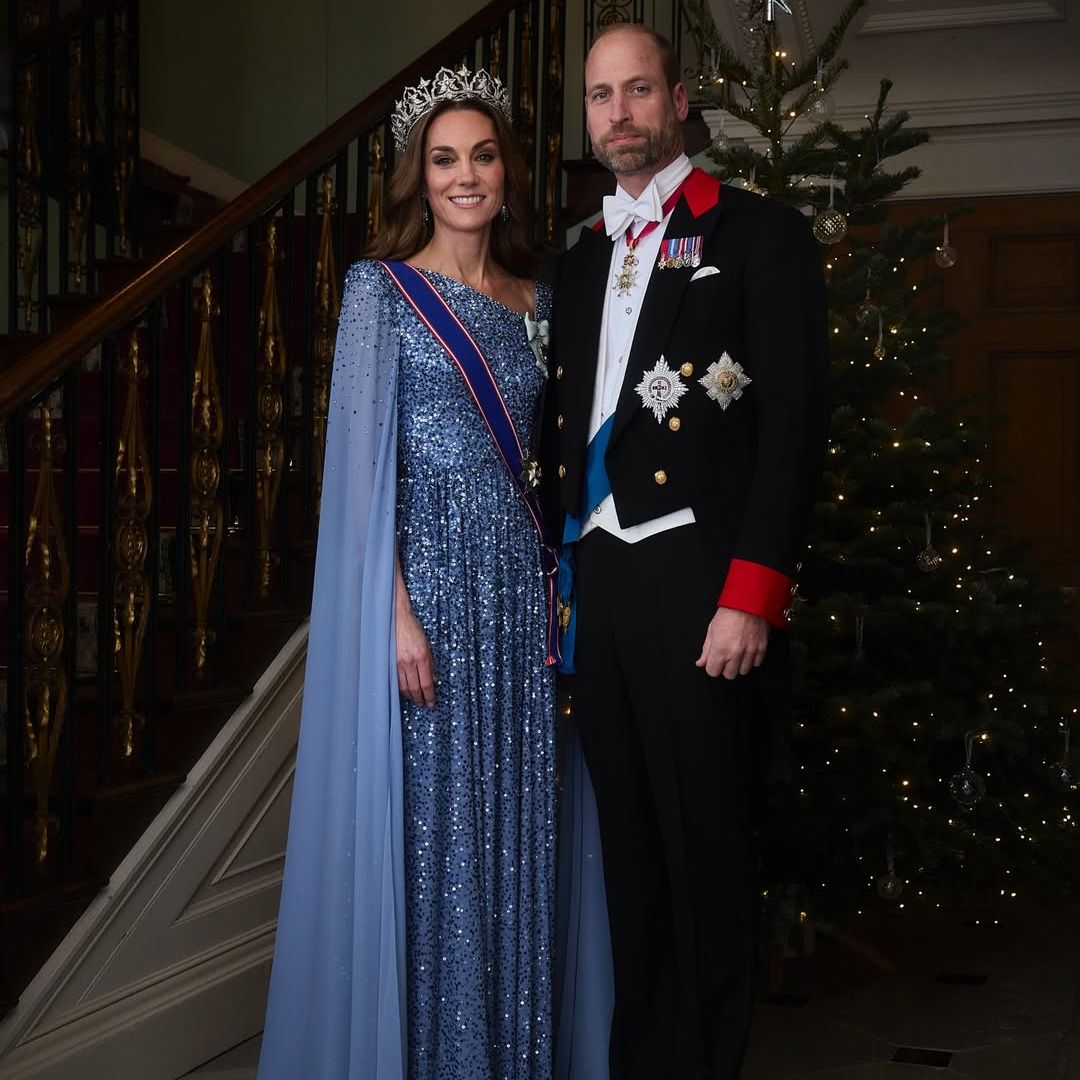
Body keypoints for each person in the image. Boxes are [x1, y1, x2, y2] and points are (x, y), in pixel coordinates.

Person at [257, 67, 609, 1080]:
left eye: (484, 156)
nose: (466, 178)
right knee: (436, 839)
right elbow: (360, 477)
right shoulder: (381, 290)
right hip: (429, 597)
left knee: (518, 827)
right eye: (445, 160)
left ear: (506, 171)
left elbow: (555, 457)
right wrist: (393, 615)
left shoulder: (541, 298)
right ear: (419, 176)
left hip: (518, 593)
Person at [544, 24, 830, 1080]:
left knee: (704, 856)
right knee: (630, 858)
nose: (618, 112)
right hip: (606, 588)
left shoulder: (759, 235)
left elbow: (794, 425)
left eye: (638, 90)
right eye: (599, 95)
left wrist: (751, 595)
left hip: (705, 587)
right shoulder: (577, 261)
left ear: (677, 99)